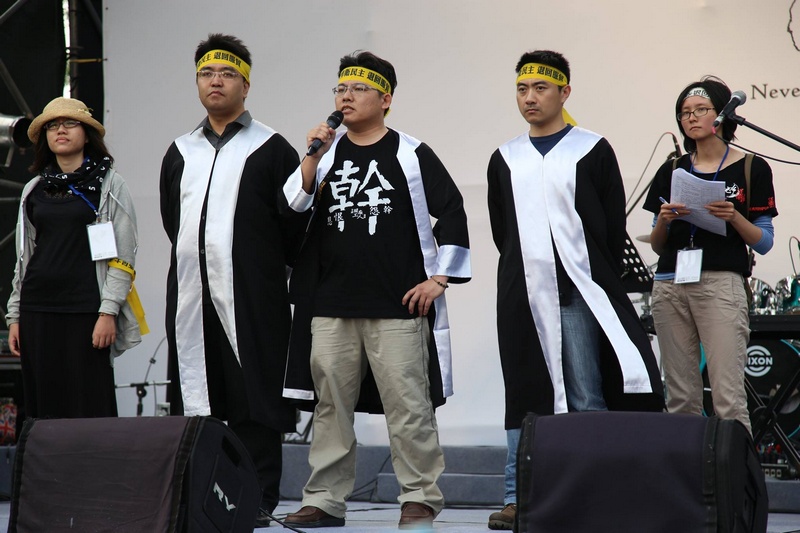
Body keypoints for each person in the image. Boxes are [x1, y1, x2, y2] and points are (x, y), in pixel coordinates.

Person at [281, 51, 471, 530]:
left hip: (397, 303)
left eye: (358, 89)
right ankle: (324, 500)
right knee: (330, 406)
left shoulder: (411, 153)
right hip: (331, 303)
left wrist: (439, 278)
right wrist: (311, 155)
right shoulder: (325, 154)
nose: (346, 97)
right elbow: (293, 207)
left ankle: (419, 497)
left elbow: (452, 209)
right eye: (340, 89)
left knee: (409, 405)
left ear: (385, 99)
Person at [486, 50, 664, 530]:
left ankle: (597, 491)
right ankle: (518, 496)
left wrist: (580, 273)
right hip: (525, 293)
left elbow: (609, 227)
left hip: (581, 291)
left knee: (586, 390)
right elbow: (504, 231)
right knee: (525, 392)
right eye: (522, 89)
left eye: (540, 88)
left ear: (565, 92)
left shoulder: (591, 149)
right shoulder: (505, 158)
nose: (530, 98)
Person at [159, 33, 306, 527]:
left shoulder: (271, 147)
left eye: (226, 74)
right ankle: (204, 494)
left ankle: (257, 497)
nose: (215, 81)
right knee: (199, 395)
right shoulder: (180, 151)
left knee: (254, 395)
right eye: (206, 73)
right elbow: (173, 222)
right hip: (192, 292)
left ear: (246, 84)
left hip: (252, 294)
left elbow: (294, 225)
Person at [644, 76, 777, 434]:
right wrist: (664, 221)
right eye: (685, 112)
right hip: (670, 283)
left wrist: (734, 217)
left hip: (720, 283)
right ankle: (687, 469)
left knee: (728, 398)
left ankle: (737, 471)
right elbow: (657, 245)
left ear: (722, 115)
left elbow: (764, 241)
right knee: (680, 399)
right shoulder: (673, 168)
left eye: (701, 109)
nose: (691, 117)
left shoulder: (751, 167)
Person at [6, 96, 140, 419]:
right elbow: (24, 259)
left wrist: (108, 311)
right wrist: (14, 316)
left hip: (86, 310)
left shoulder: (110, 185)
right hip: (38, 309)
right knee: (44, 406)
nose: (60, 130)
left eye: (70, 123)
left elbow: (124, 255)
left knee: (90, 405)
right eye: (52, 126)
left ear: (87, 134)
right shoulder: (34, 189)